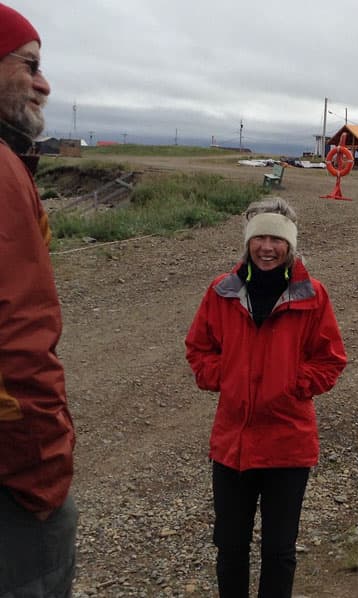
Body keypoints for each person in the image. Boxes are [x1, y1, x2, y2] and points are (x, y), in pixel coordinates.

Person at [185, 198, 347, 598]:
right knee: (230, 547)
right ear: (248, 243)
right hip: (232, 446)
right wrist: (224, 376)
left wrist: (294, 383)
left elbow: (331, 358)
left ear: (290, 246)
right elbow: (198, 348)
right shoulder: (222, 292)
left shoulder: (313, 296)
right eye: (260, 238)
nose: (268, 247)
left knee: (279, 552)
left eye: (277, 238)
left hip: (288, 444)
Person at [0, 3, 78, 596]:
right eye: (29, 64)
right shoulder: (2, 171)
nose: (44, 82)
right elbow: (20, 339)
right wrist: (44, 468)